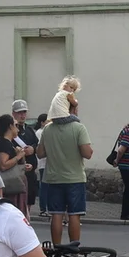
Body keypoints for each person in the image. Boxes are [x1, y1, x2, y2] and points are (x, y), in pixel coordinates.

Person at [36, 96, 92, 244]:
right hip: (75, 179)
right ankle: (74, 249)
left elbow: (40, 153)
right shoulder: (79, 128)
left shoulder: (47, 130)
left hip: (53, 179)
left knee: (56, 214)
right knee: (74, 214)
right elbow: (87, 153)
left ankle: (56, 247)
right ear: (71, 110)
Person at [0, 113, 30, 213]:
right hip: (11, 186)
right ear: (10, 126)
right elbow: (3, 165)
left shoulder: (7, 142)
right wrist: (18, 157)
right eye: (15, 125)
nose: (17, 129)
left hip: (14, 184)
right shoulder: (4, 143)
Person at [10, 100, 39, 216]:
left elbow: (37, 145)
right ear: (13, 113)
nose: (22, 115)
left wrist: (33, 149)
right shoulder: (11, 130)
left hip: (31, 173)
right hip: (18, 172)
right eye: (19, 113)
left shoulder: (30, 130)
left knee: (29, 202)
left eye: (24, 112)